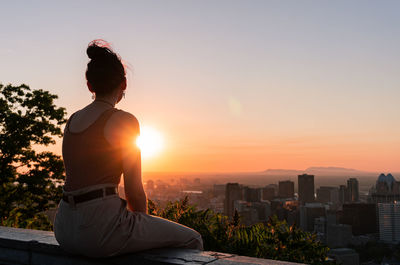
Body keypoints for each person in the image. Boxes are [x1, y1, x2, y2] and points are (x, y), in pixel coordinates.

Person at [54, 40, 203, 257]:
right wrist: (142, 224)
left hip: (64, 228)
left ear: (89, 86)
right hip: (99, 229)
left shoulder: (73, 120)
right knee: (193, 238)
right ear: (124, 84)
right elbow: (133, 190)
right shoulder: (125, 121)